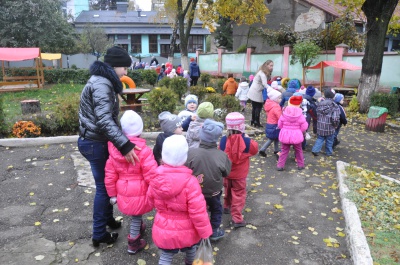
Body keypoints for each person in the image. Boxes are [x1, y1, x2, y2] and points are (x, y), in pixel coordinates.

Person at [78, 46, 140, 247]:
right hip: (94, 143)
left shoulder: (102, 81)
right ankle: (99, 235)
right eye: (124, 68)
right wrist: (125, 145)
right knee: (104, 188)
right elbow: (104, 121)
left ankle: (108, 221)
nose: (126, 73)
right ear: (114, 66)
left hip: (94, 140)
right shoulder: (102, 85)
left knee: (107, 183)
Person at [147, 135, 213, 265]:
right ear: (185, 157)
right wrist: (205, 232)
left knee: (166, 256)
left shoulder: (155, 179)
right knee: (191, 251)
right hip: (188, 230)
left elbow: (150, 199)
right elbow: (198, 212)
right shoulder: (191, 182)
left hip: (164, 228)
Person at [104, 110, 158, 254]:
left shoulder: (114, 151)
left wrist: (112, 195)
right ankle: (133, 243)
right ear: (140, 130)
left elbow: (110, 175)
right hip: (139, 191)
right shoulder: (144, 151)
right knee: (136, 215)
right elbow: (151, 174)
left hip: (123, 191)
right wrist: (156, 190)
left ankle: (139, 227)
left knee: (135, 214)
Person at [186, 119, 232, 241]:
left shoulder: (190, 153)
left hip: (194, 192)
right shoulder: (222, 155)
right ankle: (214, 230)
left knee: (196, 211)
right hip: (214, 192)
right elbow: (226, 172)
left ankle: (196, 231)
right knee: (216, 209)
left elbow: (185, 170)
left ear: (201, 136)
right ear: (216, 139)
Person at [219, 112, 258, 228]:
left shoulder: (223, 140)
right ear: (242, 126)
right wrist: (247, 138)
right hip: (240, 175)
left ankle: (226, 206)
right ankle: (237, 218)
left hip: (226, 173)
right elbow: (255, 150)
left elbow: (220, 153)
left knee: (228, 189)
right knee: (238, 195)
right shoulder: (247, 142)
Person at [276, 96, 308, 171]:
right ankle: (300, 165)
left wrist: (284, 129)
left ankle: (280, 166)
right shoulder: (300, 114)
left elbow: (279, 124)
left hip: (285, 134)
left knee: (284, 150)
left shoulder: (284, 113)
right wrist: (299, 130)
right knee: (298, 150)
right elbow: (304, 126)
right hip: (296, 135)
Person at [311, 88, 340, 156]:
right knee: (330, 140)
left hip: (320, 126)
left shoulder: (319, 104)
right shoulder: (334, 105)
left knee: (320, 138)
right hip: (330, 127)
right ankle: (329, 152)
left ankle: (315, 150)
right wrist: (336, 124)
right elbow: (335, 118)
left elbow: (316, 113)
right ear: (333, 96)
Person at [247, 60, 274, 127]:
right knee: (258, 107)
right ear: (266, 65)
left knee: (254, 107)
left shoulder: (261, 71)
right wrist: (272, 90)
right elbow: (265, 84)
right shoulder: (263, 74)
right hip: (256, 91)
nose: (272, 67)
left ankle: (253, 121)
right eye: (270, 65)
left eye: (272, 66)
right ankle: (257, 122)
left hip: (253, 90)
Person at [259, 89, 282, 160]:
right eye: (279, 98)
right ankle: (262, 149)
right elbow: (280, 116)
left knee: (276, 138)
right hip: (275, 124)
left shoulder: (269, 104)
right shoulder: (276, 107)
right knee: (271, 138)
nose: (280, 99)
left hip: (270, 123)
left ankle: (276, 150)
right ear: (275, 99)